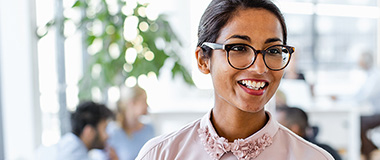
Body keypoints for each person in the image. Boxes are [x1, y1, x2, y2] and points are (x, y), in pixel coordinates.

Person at [136, 0, 333, 159]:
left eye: (273, 50)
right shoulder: (160, 154)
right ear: (203, 60)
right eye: (238, 48)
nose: (259, 68)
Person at [36, 101, 118, 160]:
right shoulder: (75, 155)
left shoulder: (65, 146)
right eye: (104, 129)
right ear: (89, 132)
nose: (107, 136)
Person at [106, 85, 155, 160]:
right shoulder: (112, 133)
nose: (147, 105)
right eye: (144, 101)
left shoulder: (149, 129)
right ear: (132, 103)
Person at [276, 107, 342, 160]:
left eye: (279, 126)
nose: (276, 130)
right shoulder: (326, 151)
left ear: (294, 129)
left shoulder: (321, 154)